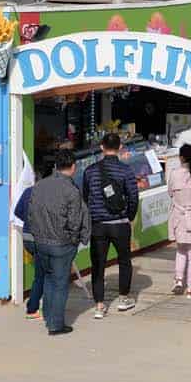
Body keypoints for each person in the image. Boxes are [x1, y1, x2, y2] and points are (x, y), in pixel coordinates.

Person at [25, 150, 89, 336]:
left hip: (41, 241)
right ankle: (55, 324)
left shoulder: (39, 186)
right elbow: (75, 221)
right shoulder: (72, 191)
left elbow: (31, 214)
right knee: (60, 283)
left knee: (48, 279)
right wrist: (73, 240)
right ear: (73, 167)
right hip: (61, 243)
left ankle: (48, 316)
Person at [81, 134, 140, 319]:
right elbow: (133, 197)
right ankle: (123, 298)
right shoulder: (126, 171)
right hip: (120, 224)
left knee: (98, 265)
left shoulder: (90, 171)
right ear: (121, 147)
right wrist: (128, 216)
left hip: (98, 225)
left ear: (101, 147)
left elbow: (85, 197)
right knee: (124, 261)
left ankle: (99, 305)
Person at [166, 143, 191, 297]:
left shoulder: (174, 174)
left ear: (181, 157)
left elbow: (170, 192)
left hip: (179, 216)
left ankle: (178, 280)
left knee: (181, 250)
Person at [13, 175, 43, 320]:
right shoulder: (50, 194)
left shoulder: (28, 192)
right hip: (43, 239)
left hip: (27, 238)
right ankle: (33, 308)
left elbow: (17, 211)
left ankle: (34, 307)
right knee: (44, 276)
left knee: (41, 274)